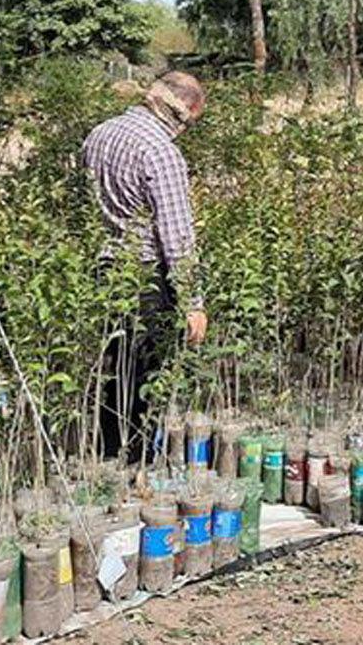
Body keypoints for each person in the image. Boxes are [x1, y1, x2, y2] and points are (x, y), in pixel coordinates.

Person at [81, 70, 209, 462]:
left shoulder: (99, 134)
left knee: (112, 369)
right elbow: (177, 236)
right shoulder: (161, 151)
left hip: (103, 270)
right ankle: (134, 462)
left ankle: (105, 455)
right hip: (145, 279)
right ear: (182, 110)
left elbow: (84, 208)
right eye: (191, 122)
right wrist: (193, 301)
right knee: (143, 377)